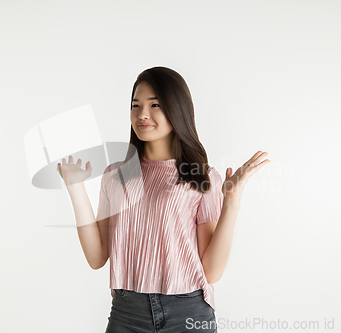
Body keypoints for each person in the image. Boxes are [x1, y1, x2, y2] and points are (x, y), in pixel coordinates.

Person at [57, 66, 270, 333]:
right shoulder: (115, 176)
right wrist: (75, 186)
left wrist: (232, 202)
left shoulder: (201, 177)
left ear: (177, 109)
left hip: (188, 313)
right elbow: (97, 257)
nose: (142, 114)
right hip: (126, 313)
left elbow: (212, 272)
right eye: (136, 105)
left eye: (155, 104)